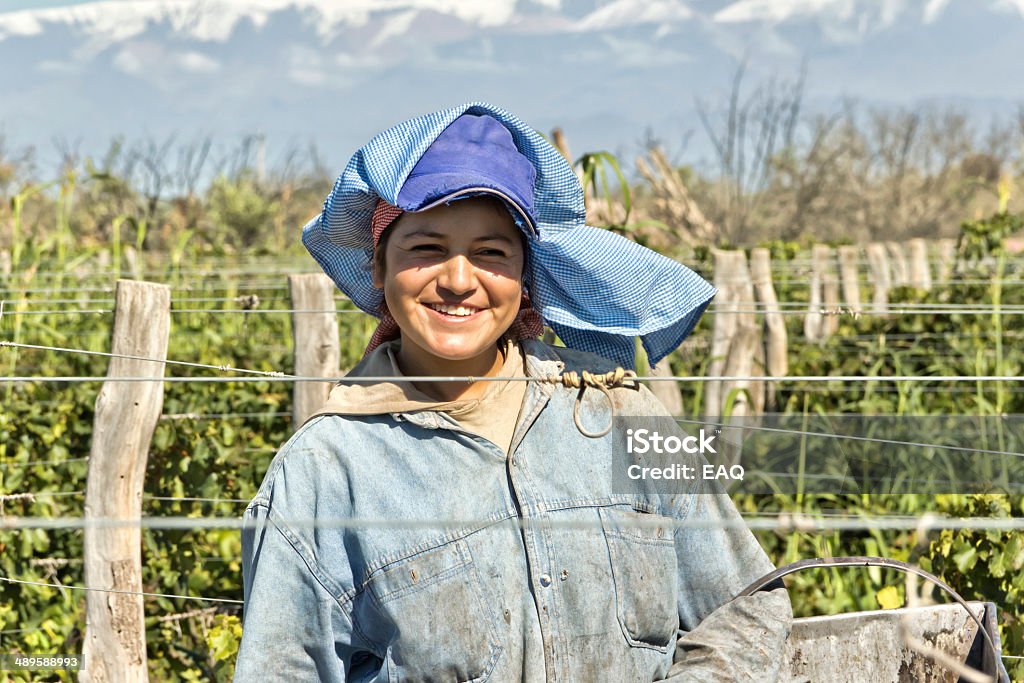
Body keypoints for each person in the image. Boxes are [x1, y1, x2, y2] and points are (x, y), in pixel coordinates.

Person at [235, 103, 792, 681]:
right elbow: (283, 668)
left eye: (491, 253)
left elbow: (744, 604)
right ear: (379, 267)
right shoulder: (325, 470)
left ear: (525, 273)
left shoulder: (621, 412)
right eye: (425, 247)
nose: (457, 279)